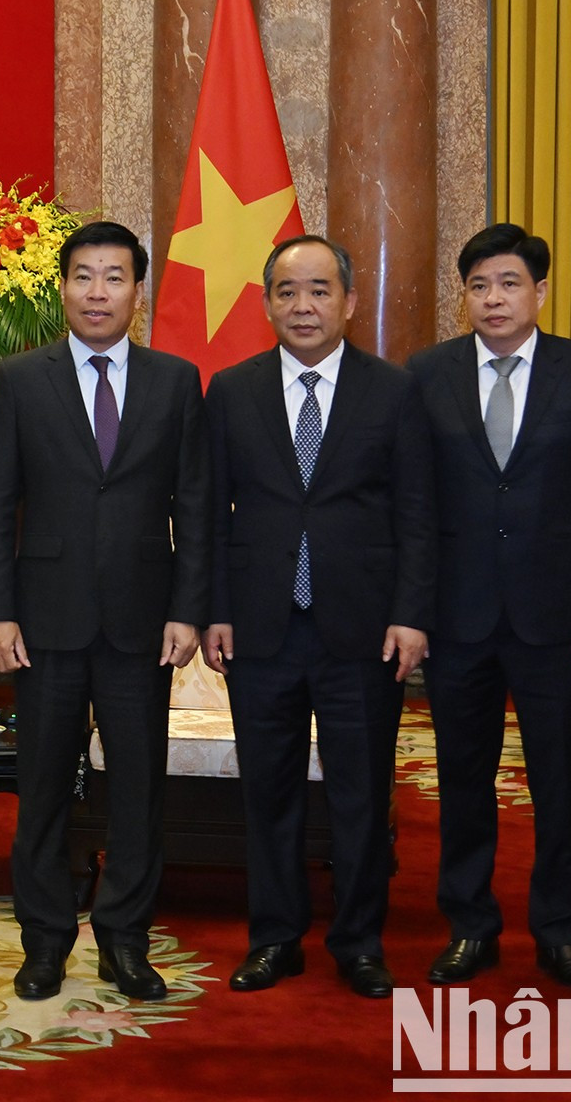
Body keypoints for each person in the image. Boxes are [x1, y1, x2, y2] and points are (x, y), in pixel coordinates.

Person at [0, 222, 209, 1002]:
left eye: (115, 278)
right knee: (42, 788)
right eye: (84, 276)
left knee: (138, 789)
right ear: (63, 287)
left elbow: (198, 506)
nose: (98, 292)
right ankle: (44, 944)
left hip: (144, 625)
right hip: (41, 623)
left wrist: (188, 609)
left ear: (138, 292)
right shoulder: (21, 377)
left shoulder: (176, 381)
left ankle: (125, 941)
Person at [202, 234, 436, 999]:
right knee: (266, 790)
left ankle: (359, 941)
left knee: (360, 793)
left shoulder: (394, 391)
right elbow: (208, 515)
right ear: (267, 302)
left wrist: (410, 614)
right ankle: (274, 938)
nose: (303, 306)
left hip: (361, 628)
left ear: (350, 301)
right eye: (287, 292)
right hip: (261, 627)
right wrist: (215, 610)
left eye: (319, 290)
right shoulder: (232, 391)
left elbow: (416, 513)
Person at [409, 224, 571, 993]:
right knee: (461, 781)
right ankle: (470, 927)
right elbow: (413, 505)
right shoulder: (427, 374)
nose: (494, 298)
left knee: (559, 783)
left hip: (558, 619)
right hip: (456, 618)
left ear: (540, 291)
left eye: (509, 283)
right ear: (463, 295)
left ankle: (560, 932)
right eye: (479, 285)